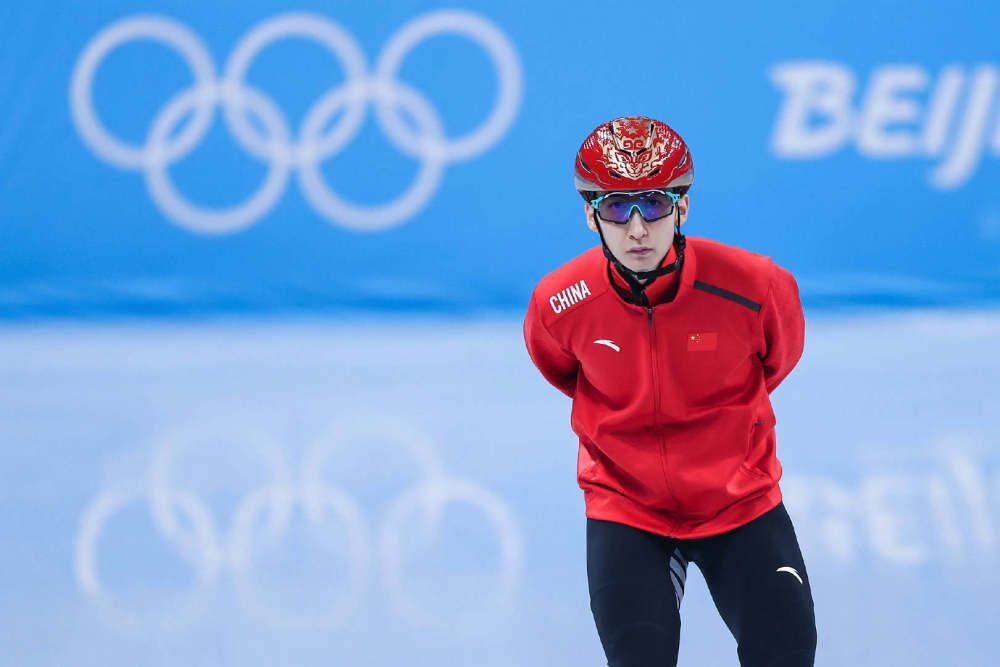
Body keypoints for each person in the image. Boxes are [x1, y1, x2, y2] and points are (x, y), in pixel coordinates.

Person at [523, 116, 817, 666]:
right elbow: (562, 370)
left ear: (683, 207)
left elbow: (778, 360)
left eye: (653, 205)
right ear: (591, 215)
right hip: (628, 509)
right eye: (616, 207)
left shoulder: (755, 288)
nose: (637, 230)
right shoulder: (559, 302)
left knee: (788, 654)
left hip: (739, 504)